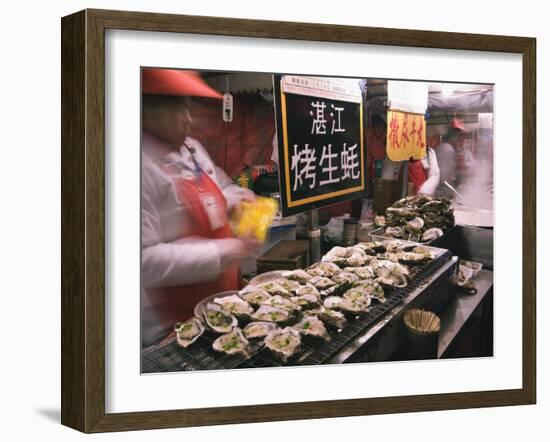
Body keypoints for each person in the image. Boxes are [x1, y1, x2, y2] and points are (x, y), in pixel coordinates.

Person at [140, 69, 260, 346]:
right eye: (178, 110)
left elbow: (222, 188)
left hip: (219, 298)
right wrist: (226, 250)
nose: (189, 119)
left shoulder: (191, 149)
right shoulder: (136, 165)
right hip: (170, 321)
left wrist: (238, 199)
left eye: (188, 108)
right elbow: (142, 261)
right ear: (148, 113)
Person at [433, 118, 467, 198]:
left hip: (445, 190)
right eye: (459, 134)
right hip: (442, 193)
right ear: (453, 134)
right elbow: (444, 178)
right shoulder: (446, 149)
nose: (460, 138)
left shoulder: (449, 148)